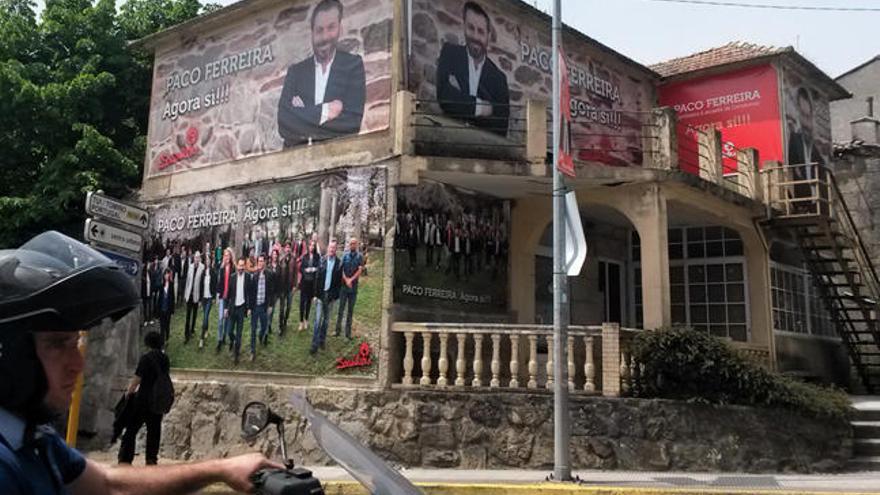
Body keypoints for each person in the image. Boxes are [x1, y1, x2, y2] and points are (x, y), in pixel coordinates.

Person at [0, 231, 281, 495]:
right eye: (58, 344)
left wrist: (221, 469)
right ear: (8, 355)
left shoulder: (36, 441)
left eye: (75, 343)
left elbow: (109, 484)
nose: (78, 364)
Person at [277, 0, 366, 147]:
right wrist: (325, 111)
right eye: (319, 30)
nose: (325, 37)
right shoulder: (296, 72)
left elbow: (351, 124)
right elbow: (285, 124)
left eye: (331, 27)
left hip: (336, 161)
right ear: (312, 33)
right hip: (295, 164)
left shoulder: (353, 65)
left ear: (340, 29)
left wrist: (303, 115)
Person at [435, 1, 510, 136]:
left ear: (488, 35)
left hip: (484, 149)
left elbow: (501, 125)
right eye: (471, 28)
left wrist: (460, 102)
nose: (475, 36)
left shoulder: (498, 79)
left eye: (480, 31)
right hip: (447, 137)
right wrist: (483, 108)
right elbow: (444, 95)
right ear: (464, 27)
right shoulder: (450, 53)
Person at [117, 331, 169, 465]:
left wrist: (128, 393)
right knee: (154, 430)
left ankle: (125, 458)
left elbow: (137, 378)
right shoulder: (165, 359)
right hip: (158, 400)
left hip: (143, 399)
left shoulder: (146, 358)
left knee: (131, 429)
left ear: (147, 343)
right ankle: (151, 458)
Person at [310, 239, 342, 355]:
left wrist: (335, 297)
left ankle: (322, 340)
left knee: (326, 321)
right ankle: (314, 344)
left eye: (334, 248)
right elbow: (317, 279)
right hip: (320, 295)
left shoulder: (339, 263)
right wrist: (314, 295)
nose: (332, 250)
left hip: (330, 296)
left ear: (336, 249)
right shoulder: (322, 260)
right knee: (317, 321)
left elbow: (339, 284)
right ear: (328, 248)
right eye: (330, 247)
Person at [224, 258, 251, 365]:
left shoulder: (248, 277)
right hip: (232, 308)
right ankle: (233, 341)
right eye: (239, 266)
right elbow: (228, 294)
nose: (240, 268)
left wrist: (249, 308)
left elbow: (249, 293)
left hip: (241, 309)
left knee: (239, 333)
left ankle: (236, 354)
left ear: (244, 266)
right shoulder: (232, 277)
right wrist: (226, 308)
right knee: (230, 331)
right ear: (237, 266)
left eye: (242, 266)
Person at [336, 237, 363, 340]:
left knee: (350, 311)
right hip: (344, 287)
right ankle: (337, 331)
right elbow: (341, 269)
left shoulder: (360, 256)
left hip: (353, 288)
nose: (352, 245)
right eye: (351, 243)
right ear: (349, 245)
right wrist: (346, 280)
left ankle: (348, 333)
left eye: (354, 243)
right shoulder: (345, 255)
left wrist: (351, 280)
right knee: (341, 309)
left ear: (357, 245)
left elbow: (360, 270)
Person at [247, 256, 273, 361]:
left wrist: (270, 305)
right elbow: (250, 293)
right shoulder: (254, 276)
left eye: (262, 261)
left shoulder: (269, 275)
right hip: (255, 307)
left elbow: (271, 291)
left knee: (263, 327)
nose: (261, 263)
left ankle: (261, 336)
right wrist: (249, 307)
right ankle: (252, 351)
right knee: (253, 329)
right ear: (257, 263)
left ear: (265, 263)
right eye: (259, 261)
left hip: (264, 306)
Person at [215, 248, 235, 353]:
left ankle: (225, 338)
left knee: (227, 319)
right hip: (223, 297)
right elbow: (219, 283)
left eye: (228, 255)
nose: (226, 257)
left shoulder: (234, 268)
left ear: (231, 256)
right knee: (220, 320)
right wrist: (218, 296)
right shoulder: (221, 268)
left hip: (230, 299)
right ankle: (219, 340)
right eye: (225, 255)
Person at [299, 239, 321, 332]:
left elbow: (319, 267)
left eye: (313, 245)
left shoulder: (317, 257)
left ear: (315, 247)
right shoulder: (305, 256)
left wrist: (314, 269)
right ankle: (301, 321)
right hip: (304, 282)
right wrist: (306, 270)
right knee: (302, 303)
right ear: (308, 246)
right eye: (310, 245)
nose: (312, 247)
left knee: (308, 302)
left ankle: (306, 319)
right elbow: (301, 268)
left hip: (312, 283)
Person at [183, 251, 204, 344]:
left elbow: (202, 284)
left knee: (194, 314)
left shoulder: (202, 267)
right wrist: (185, 294)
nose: (197, 259)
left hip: (196, 295)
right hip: (189, 294)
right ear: (193, 258)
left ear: (200, 259)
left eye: (198, 257)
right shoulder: (190, 267)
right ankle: (186, 334)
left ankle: (192, 329)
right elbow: (187, 281)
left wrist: (200, 299)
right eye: (195, 257)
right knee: (188, 315)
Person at [198, 253, 216, 350]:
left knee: (205, 316)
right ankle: (206, 330)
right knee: (206, 316)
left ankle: (201, 339)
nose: (207, 262)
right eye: (206, 261)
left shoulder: (213, 272)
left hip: (209, 298)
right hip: (204, 298)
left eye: (209, 260)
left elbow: (215, 285)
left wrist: (213, 298)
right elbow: (201, 286)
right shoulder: (203, 272)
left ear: (211, 262)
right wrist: (200, 300)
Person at [157, 268, 175, 346]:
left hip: (168, 309)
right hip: (162, 309)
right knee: (162, 328)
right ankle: (162, 343)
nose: (166, 275)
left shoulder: (171, 285)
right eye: (165, 274)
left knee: (167, 326)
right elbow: (159, 299)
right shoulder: (161, 285)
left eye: (168, 274)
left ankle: (167, 339)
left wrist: (172, 310)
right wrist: (157, 310)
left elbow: (173, 298)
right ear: (164, 275)